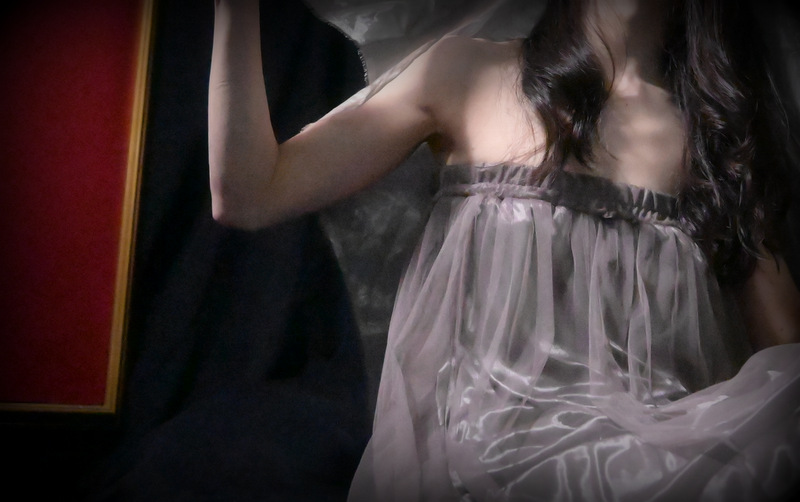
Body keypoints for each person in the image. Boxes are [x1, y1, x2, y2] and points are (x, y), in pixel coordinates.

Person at [209, 0, 800, 500]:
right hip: (484, 468)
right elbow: (250, 194)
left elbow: (785, 367)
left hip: (655, 475)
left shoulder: (722, 141)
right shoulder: (465, 73)